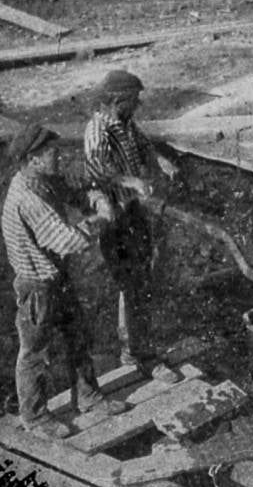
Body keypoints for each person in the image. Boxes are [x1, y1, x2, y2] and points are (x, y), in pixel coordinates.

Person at [2, 123, 127, 440]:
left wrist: (97, 199)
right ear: (33, 159)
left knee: (77, 335)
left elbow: (78, 190)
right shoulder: (27, 197)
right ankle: (35, 417)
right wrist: (102, 219)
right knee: (35, 352)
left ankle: (88, 397)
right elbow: (68, 240)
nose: (58, 156)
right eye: (51, 153)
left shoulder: (43, 181)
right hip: (37, 286)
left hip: (55, 277)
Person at [83, 70, 179, 370]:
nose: (138, 105)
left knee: (140, 280)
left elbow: (143, 143)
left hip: (132, 211)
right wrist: (132, 182)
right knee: (132, 284)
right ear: (118, 101)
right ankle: (140, 355)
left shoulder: (124, 123)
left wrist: (159, 159)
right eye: (134, 100)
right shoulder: (98, 131)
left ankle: (135, 346)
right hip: (115, 218)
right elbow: (99, 171)